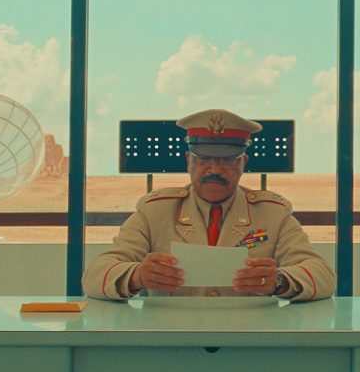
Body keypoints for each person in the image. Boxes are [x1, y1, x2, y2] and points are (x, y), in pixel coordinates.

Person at [82, 109, 336, 300]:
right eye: (203, 159)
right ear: (188, 161)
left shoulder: (272, 214)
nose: (214, 169)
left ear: (243, 163)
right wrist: (138, 276)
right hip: (173, 337)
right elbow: (94, 276)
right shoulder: (155, 211)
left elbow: (323, 276)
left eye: (227, 160)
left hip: (249, 337)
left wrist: (279, 281)